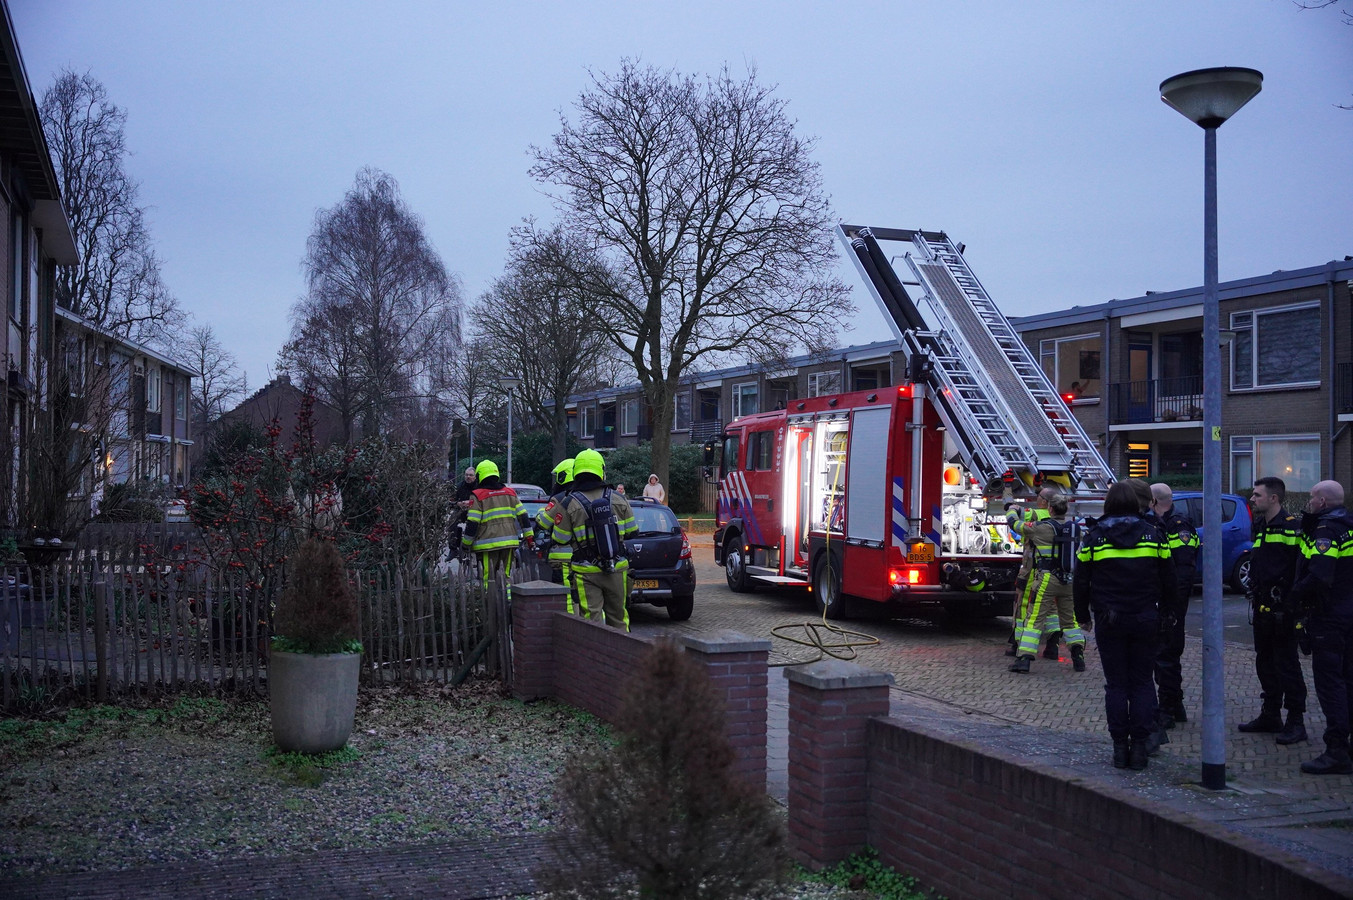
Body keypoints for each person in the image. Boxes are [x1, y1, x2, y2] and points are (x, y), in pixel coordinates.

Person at [1075, 481, 1176, 770]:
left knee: (1117, 685)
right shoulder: (1154, 535)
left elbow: (1081, 580)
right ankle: (1141, 749)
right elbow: (1168, 578)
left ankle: (1120, 749)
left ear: (1108, 504)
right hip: (1145, 618)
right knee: (1143, 683)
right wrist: (1168, 613)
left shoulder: (1094, 537)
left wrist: (1083, 615)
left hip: (1110, 619)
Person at [1289, 480, 1353, 775]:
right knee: (1348, 680)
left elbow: (1320, 575)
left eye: (1313, 498)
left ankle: (1336, 750)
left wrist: (1294, 597)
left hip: (1329, 618)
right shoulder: (1350, 525)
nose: (1310, 503)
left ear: (1323, 502)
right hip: (1348, 613)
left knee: (1331, 684)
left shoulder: (1327, 530)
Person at [1239, 476, 1308, 744]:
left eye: (1257, 495)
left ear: (1273, 498)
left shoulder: (1292, 528)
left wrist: (1292, 605)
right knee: (1265, 662)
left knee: (1287, 664)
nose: (1252, 499)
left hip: (1283, 610)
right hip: (1262, 607)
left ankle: (1296, 721)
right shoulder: (1261, 526)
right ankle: (1270, 714)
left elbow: (1299, 570)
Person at [550, 449, 638, 630]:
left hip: (586, 572)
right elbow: (632, 532)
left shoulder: (568, 503)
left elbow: (561, 538)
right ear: (601, 470)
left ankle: (594, 657)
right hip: (618, 569)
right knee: (620, 619)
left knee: (591, 623)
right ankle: (624, 657)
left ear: (576, 471)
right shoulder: (619, 498)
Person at [1008, 493, 1087, 674]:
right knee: (1069, 620)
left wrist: (1012, 511)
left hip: (1046, 580)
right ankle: (1078, 656)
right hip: (1068, 581)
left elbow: (1015, 525)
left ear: (1050, 509)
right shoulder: (1076, 529)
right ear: (1066, 510)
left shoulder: (1040, 528)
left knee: (1034, 619)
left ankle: (1024, 660)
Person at [1149, 483, 1199, 730]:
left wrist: (1172, 606)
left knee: (1167, 654)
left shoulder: (1177, 526)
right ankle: (1175, 705)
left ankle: (1167, 709)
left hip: (1171, 604)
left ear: (1154, 501)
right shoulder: (1162, 523)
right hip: (1165, 601)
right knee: (1164, 654)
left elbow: (1183, 570)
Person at [461, 460, 532, 594]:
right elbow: (523, 516)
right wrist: (529, 538)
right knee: (506, 576)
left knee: (489, 578)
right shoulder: (510, 493)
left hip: (488, 544)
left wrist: (466, 544)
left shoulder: (477, 495)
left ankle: (490, 604)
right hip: (510, 543)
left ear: (480, 475)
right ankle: (509, 604)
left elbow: (473, 523)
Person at [1005, 487, 1056, 658]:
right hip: (1053, 573)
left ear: (1044, 502)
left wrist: (1011, 505)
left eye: (1038, 496)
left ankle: (1017, 644)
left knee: (1022, 606)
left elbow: (1014, 518)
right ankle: (1053, 644)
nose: (1036, 499)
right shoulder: (1061, 518)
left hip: (1031, 571)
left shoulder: (1036, 515)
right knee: (1051, 609)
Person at [537, 459, 577, 611]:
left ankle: (570, 627)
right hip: (587, 558)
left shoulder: (560, 498)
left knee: (567, 596)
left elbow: (543, 522)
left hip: (563, 557)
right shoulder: (590, 496)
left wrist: (543, 511)